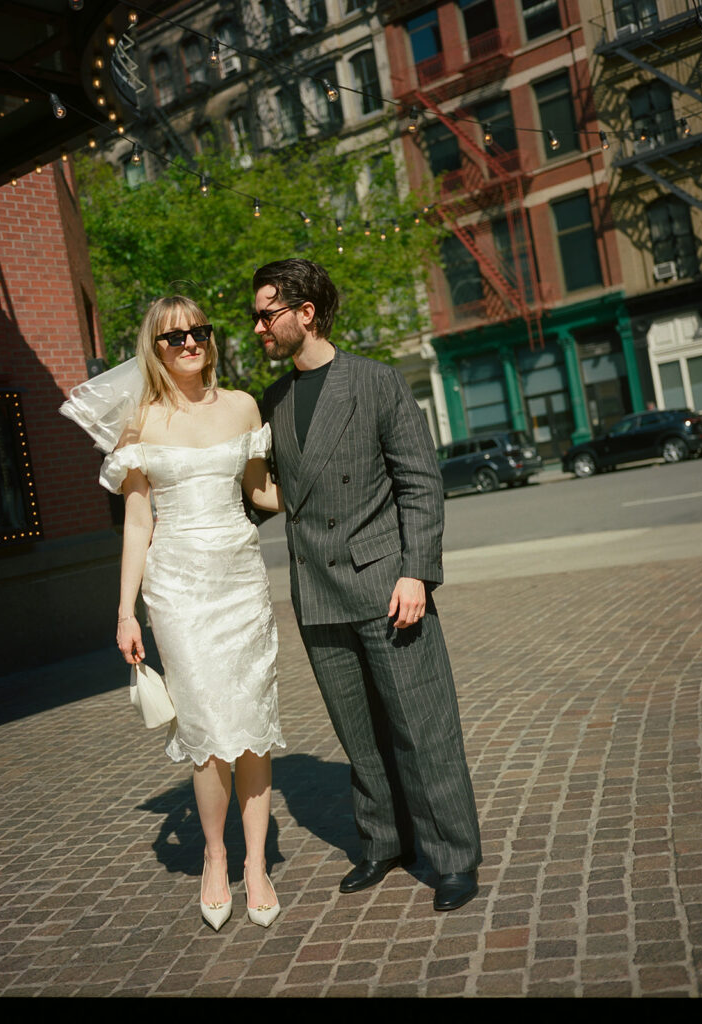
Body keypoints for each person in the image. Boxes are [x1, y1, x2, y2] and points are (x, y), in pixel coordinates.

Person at [255, 259, 482, 912]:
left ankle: (452, 857)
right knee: (359, 734)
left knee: (422, 729)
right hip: (317, 592)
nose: (258, 327)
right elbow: (276, 493)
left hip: (388, 584)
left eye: (267, 313)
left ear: (306, 313)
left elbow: (420, 482)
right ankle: (384, 841)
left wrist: (416, 571)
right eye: (255, 315)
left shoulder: (377, 383)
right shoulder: (272, 401)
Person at [60, 296, 285, 931]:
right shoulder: (141, 421)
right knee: (209, 731)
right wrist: (126, 611)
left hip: (241, 582)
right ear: (154, 349)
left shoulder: (243, 406)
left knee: (252, 723)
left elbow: (262, 491)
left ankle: (258, 864)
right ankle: (216, 856)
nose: (190, 343)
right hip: (178, 592)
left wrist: (326, 479)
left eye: (199, 332)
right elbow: (137, 521)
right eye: (173, 337)